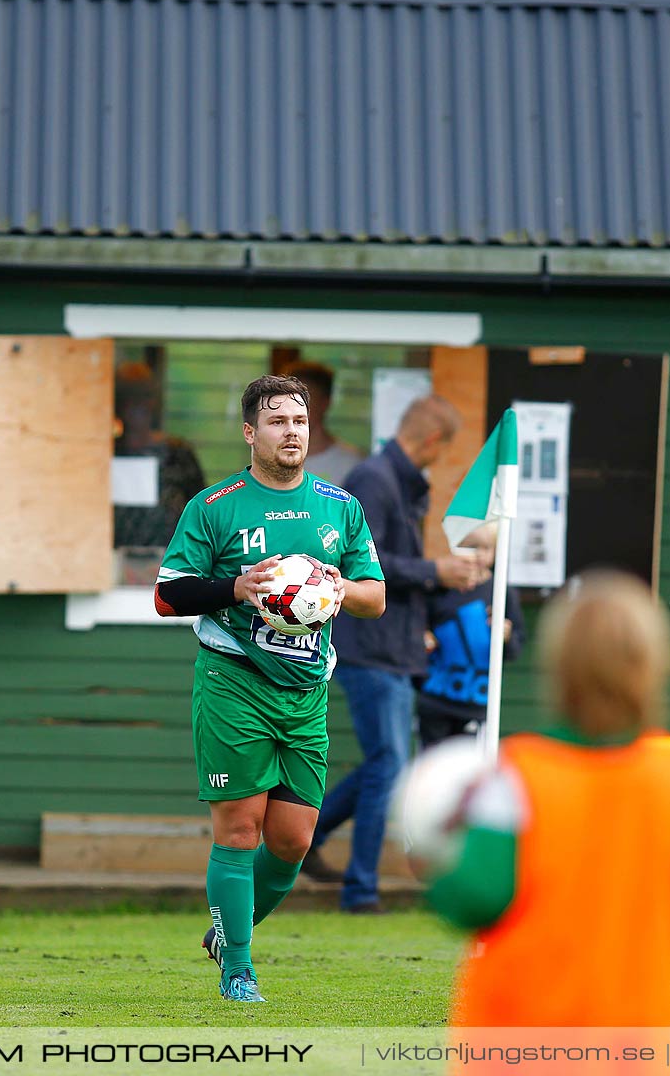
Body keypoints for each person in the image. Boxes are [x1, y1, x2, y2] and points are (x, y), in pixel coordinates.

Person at [153, 373, 386, 1003]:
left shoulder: (341, 507)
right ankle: (238, 973)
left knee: (292, 841)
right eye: (279, 421)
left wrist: (338, 589)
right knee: (239, 828)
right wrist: (237, 587)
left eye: (301, 422)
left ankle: (229, 930)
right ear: (251, 432)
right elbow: (166, 593)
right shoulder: (215, 506)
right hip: (234, 680)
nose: (293, 433)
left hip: (306, 689)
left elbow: (375, 596)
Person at [424, 571, 670, 1029]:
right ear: (655, 668)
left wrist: (435, 858)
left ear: (559, 670)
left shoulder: (518, 774)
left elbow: (473, 900)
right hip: (639, 1035)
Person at [302, 395, 483, 911]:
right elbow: (364, 569)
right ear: (430, 441)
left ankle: (312, 840)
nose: (438, 461)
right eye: (442, 451)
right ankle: (360, 891)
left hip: (394, 648)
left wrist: (423, 611)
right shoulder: (374, 481)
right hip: (369, 648)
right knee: (390, 763)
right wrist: (436, 573)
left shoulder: (395, 482)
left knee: (387, 763)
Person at [416, 525, 526, 750]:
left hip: (476, 701)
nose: (477, 554)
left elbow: (516, 646)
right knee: (432, 764)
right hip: (435, 697)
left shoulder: (501, 591)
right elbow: (419, 625)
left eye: (485, 548)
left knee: (468, 767)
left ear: (496, 552)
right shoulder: (440, 587)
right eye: (469, 547)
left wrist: (506, 635)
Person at [114, 361, 204, 552]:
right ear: (117, 406)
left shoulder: (176, 454)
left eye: (143, 398)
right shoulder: (107, 453)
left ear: (153, 403)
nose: (136, 409)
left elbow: (202, 512)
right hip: (111, 564)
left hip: (172, 561)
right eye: (128, 400)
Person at [282, 360, 363, 485]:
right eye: (288, 400)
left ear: (325, 402)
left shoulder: (351, 463)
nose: (295, 409)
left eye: (305, 400)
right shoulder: (271, 458)